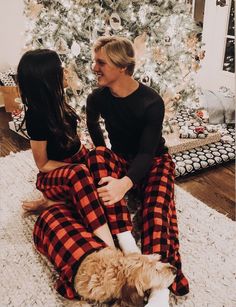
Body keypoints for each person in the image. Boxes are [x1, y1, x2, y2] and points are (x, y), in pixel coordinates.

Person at [17, 49, 139, 298]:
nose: (65, 70)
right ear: (48, 79)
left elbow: (76, 145)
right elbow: (43, 164)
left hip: (74, 164)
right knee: (80, 176)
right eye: (60, 68)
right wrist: (79, 169)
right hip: (54, 175)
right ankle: (110, 247)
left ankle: (122, 234)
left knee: (99, 158)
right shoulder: (36, 116)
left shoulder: (60, 102)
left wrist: (91, 160)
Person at [86, 36, 189, 307]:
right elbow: (92, 125)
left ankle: (158, 288)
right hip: (121, 157)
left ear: (122, 67)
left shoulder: (151, 102)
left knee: (156, 209)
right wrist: (103, 152)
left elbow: (146, 153)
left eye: (101, 62)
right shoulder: (97, 97)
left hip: (154, 159)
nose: (94, 67)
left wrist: (125, 184)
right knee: (96, 156)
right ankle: (127, 243)